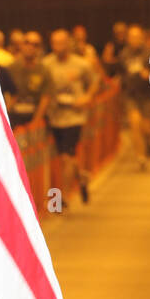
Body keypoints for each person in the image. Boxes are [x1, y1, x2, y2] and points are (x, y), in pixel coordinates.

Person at [44, 29, 94, 205]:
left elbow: (94, 82)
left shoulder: (81, 64)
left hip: (74, 117)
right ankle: (82, 177)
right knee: (65, 157)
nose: (58, 47)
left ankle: (64, 196)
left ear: (69, 44)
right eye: (54, 43)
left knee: (66, 157)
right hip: (55, 116)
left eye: (61, 43)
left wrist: (87, 97)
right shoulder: (47, 64)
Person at [120, 24, 150, 170]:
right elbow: (121, 74)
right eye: (132, 37)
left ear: (142, 38)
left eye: (137, 36)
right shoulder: (124, 54)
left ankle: (147, 141)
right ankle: (140, 157)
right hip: (131, 95)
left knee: (147, 128)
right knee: (134, 123)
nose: (134, 39)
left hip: (146, 94)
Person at [9, 31, 53, 131]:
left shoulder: (44, 71)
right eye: (27, 43)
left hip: (34, 119)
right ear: (21, 45)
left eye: (35, 45)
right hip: (13, 118)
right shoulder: (11, 68)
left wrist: (35, 122)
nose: (30, 47)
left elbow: (45, 99)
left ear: (40, 48)